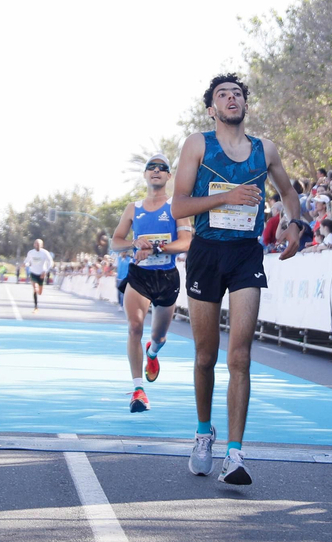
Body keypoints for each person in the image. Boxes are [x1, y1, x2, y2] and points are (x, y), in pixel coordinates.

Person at [171, 73, 305, 486]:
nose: (231, 99)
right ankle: (202, 433)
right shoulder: (198, 144)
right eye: (222, 95)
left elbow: (288, 192)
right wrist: (226, 197)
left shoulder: (265, 150)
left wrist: (294, 223)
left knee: (240, 355)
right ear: (212, 108)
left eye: (237, 94)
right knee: (206, 356)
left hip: (246, 254)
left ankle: (235, 453)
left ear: (246, 104)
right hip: (207, 254)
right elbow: (178, 207)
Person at [112, 153, 193, 413]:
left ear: (169, 176)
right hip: (139, 276)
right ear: (145, 175)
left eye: (162, 168)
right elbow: (116, 242)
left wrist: (158, 247)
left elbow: (186, 242)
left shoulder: (177, 206)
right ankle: (138, 390)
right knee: (134, 327)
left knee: (158, 336)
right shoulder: (133, 207)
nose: (156, 171)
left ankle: (153, 352)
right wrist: (133, 243)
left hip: (167, 278)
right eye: (151, 168)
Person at [24, 239, 54, 311]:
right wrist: (26, 264)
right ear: (34, 244)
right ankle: (36, 307)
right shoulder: (31, 252)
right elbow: (27, 261)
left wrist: (46, 271)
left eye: (39, 244)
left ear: (42, 245)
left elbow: (51, 262)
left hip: (41, 274)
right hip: (33, 272)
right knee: (35, 288)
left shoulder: (45, 253)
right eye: (36, 244)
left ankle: (37, 291)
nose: (37, 245)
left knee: (40, 293)